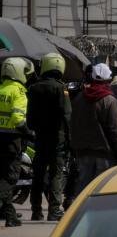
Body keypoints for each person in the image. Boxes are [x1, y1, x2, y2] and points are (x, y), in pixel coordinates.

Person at [69, 63, 117, 197]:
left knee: (83, 188)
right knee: (102, 190)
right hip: (104, 153)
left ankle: (80, 214)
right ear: (108, 80)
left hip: (82, 151)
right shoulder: (110, 101)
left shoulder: (79, 98)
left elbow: (73, 124)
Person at [26, 53, 71, 221]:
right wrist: (70, 139)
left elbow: (29, 117)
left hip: (39, 138)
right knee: (55, 173)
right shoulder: (61, 88)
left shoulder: (34, 88)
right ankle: (54, 210)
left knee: (37, 174)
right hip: (57, 138)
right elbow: (67, 115)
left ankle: (36, 210)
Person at [0, 58, 32, 227]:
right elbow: (18, 120)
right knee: (10, 178)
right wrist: (30, 133)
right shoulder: (18, 91)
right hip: (11, 140)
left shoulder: (1, 88)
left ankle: (10, 216)